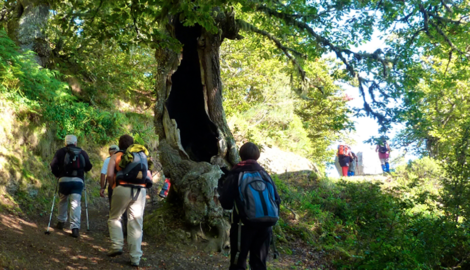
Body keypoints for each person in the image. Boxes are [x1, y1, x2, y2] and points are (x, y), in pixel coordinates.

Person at [218, 142, 281, 270]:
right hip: (266, 224)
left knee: (238, 263)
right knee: (259, 264)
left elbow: (226, 203)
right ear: (257, 156)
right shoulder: (264, 174)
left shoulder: (236, 174)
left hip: (243, 226)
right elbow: (277, 200)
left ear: (240, 155)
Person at [106, 134, 152, 267]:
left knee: (115, 217)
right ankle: (135, 258)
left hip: (122, 188)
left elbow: (109, 174)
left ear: (119, 144)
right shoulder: (141, 155)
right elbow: (148, 175)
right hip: (140, 190)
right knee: (136, 223)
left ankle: (117, 245)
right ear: (132, 144)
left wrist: (113, 185)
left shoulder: (116, 155)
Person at [50, 134, 92, 238]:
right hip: (78, 181)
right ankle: (75, 228)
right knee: (75, 203)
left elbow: (53, 165)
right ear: (75, 143)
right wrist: (82, 171)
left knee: (63, 200)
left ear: (65, 143)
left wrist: (57, 174)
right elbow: (89, 166)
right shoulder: (82, 152)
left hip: (63, 180)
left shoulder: (60, 152)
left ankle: (61, 222)